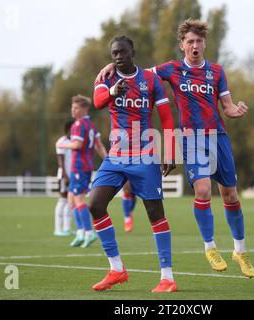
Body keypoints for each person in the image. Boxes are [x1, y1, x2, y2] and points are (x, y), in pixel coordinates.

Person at [96, 19, 254, 278]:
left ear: (205, 44)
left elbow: (226, 106)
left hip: (218, 137)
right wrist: (111, 65)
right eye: (190, 41)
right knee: (203, 190)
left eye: (199, 41)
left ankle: (240, 250)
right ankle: (210, 247)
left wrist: (234, 111)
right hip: (191, 139)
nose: (195, 45)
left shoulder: (216, 71)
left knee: (230, 196)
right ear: (182, 45)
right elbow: (137, 72)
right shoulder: (171, 69)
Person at [89, 35, 178, 293]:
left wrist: (170, 150)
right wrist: (113, 91)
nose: (118, 57)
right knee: (94, 205)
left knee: (154, 213)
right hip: (116, 155)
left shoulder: (150, 81)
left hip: (145, 154)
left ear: (132, 52)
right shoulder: (105, 78)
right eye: (114, 53)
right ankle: (116, 269)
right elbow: (97, 102)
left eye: (123, 52)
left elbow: (166, 118)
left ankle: (167, 277)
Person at [57, 95, 107, 248]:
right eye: (72, 107)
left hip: (80, 166)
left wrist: (62, 144)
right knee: (71, 199)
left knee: (78, 200)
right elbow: (98, 145)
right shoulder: (90, 124)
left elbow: (77, 145)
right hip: (81, 167)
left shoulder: (78, 125)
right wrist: (109, 160)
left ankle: (89, 232)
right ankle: (80, 232)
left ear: (84, 109)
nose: (73, 110)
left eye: (76, 108)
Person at [54, 119, 74, 236]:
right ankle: (58, 229)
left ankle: (66, 228)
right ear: (68, 129)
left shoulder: (74, 142)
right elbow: (60, 161)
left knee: (69, 201)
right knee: (62, 200)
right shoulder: (62, 141)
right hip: (63, 176)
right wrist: (65, 176)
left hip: (72, 176)